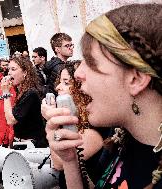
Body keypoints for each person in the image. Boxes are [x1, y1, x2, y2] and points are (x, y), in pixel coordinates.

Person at [45, 4, 162, 188]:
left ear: (136, 78)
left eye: (91, 61)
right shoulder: (121, 138)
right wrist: (70, 160)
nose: (78, 73)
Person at [1, 56, 48, 148]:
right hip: (23, 142)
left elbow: (11, 120)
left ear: (25, 73)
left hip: (32, 145)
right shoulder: (21, 91)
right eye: (9, 69)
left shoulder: (30, 93)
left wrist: (5, 93)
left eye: (13, 69)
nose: (9, 73)